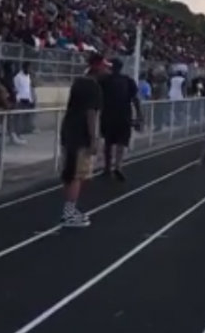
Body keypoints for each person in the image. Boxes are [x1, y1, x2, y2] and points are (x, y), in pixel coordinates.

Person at [58, 53, 108, 227]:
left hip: (69, 132)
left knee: (76, 174)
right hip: (79, 136)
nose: (106, 70)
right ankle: (68, 213)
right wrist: (94, 138)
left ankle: (70, 209)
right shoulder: (93, 87)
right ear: (97, 67)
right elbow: (91, 113)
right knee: (76, 175)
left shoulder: (79, 82)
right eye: (104, 66)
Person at [98, 58, 142, 182]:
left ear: (111, 68)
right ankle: (118, 165)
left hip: (108, 116)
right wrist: (139, 115)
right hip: (124, 116)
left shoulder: (104, 80)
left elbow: (98, 97)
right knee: (121, 143)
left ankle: (107, 167)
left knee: (108, 142)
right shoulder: (128, 80)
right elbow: (135, 99)